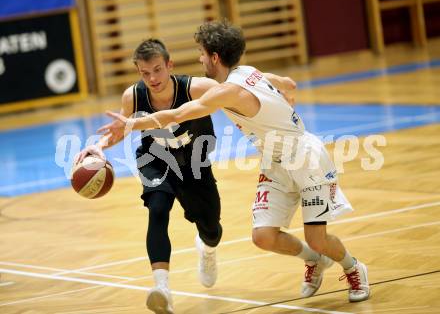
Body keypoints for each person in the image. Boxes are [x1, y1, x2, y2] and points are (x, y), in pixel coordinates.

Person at [98, 20, 370, 303]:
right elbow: (265, 76)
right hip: (275, 162)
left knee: (317, 237)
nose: (200, 58)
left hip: (306, 160)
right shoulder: (244, 73)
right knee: (263, 236)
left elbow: (178, 114)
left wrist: (132, 123)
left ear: (214, 57)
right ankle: (314, 260)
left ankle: (354, 268)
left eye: (202, 53)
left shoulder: (228, 91)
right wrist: (284, 83)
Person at [75, 39, 224, 314]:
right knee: (157, 209)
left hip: (194, 163)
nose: (152, 78)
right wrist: (98, 146)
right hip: (155, 159)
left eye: (157, 70)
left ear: (169, 65)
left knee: (212, 229)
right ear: (138, 72)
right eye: (145, 73)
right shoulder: (133, 96)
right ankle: (162, 289)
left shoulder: (195, 88)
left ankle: (207, 248)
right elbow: (121, 129)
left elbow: (233, 93)